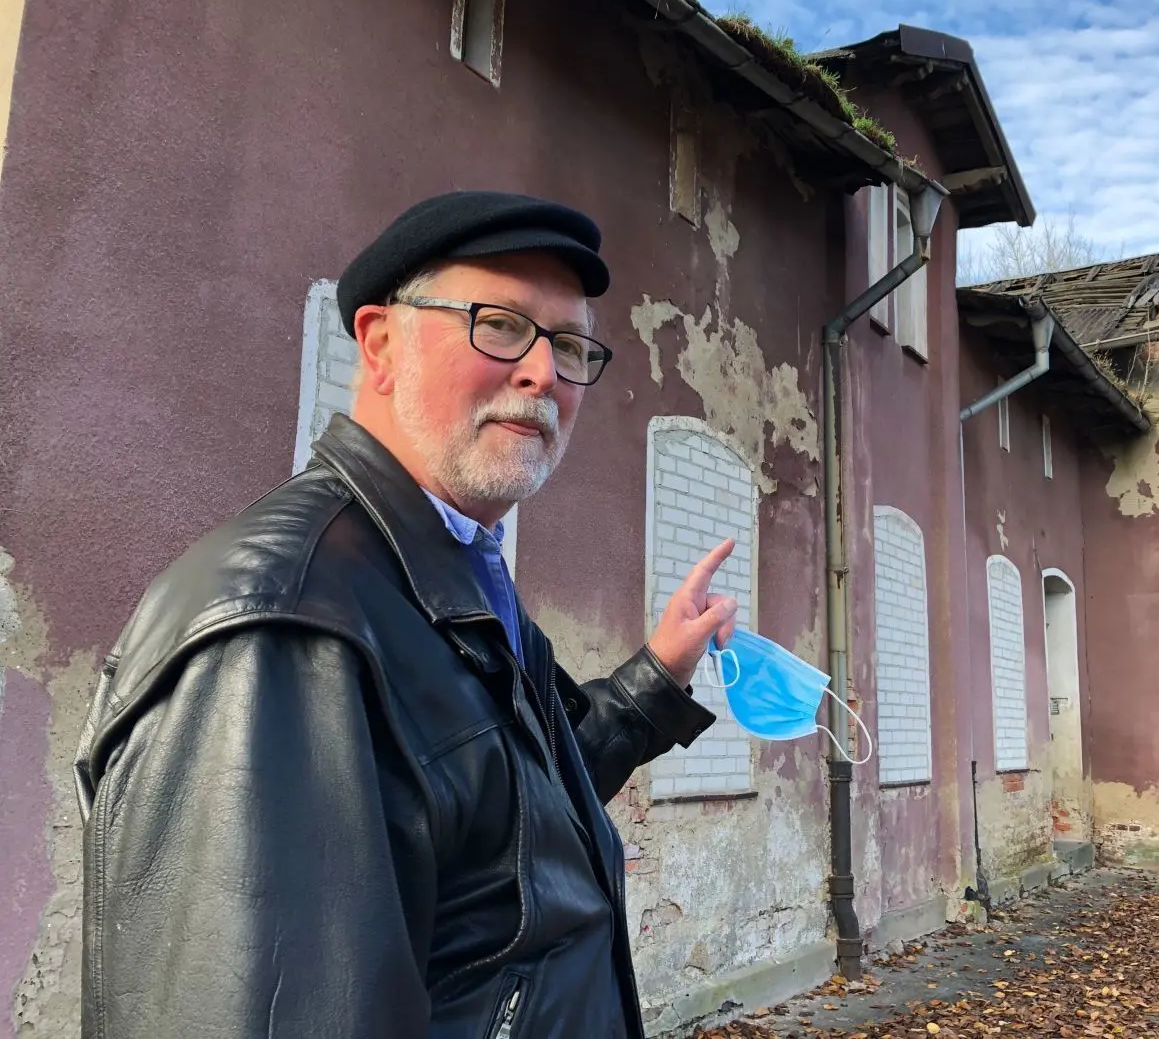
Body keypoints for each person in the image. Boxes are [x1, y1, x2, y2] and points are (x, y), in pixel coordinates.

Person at [73, 191, 738, 1038]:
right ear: (382, 344)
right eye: (501, 325)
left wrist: (656, 678)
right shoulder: (287, 628)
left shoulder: (448, 565)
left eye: (569, 345)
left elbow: (507, 814)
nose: (543, 373)